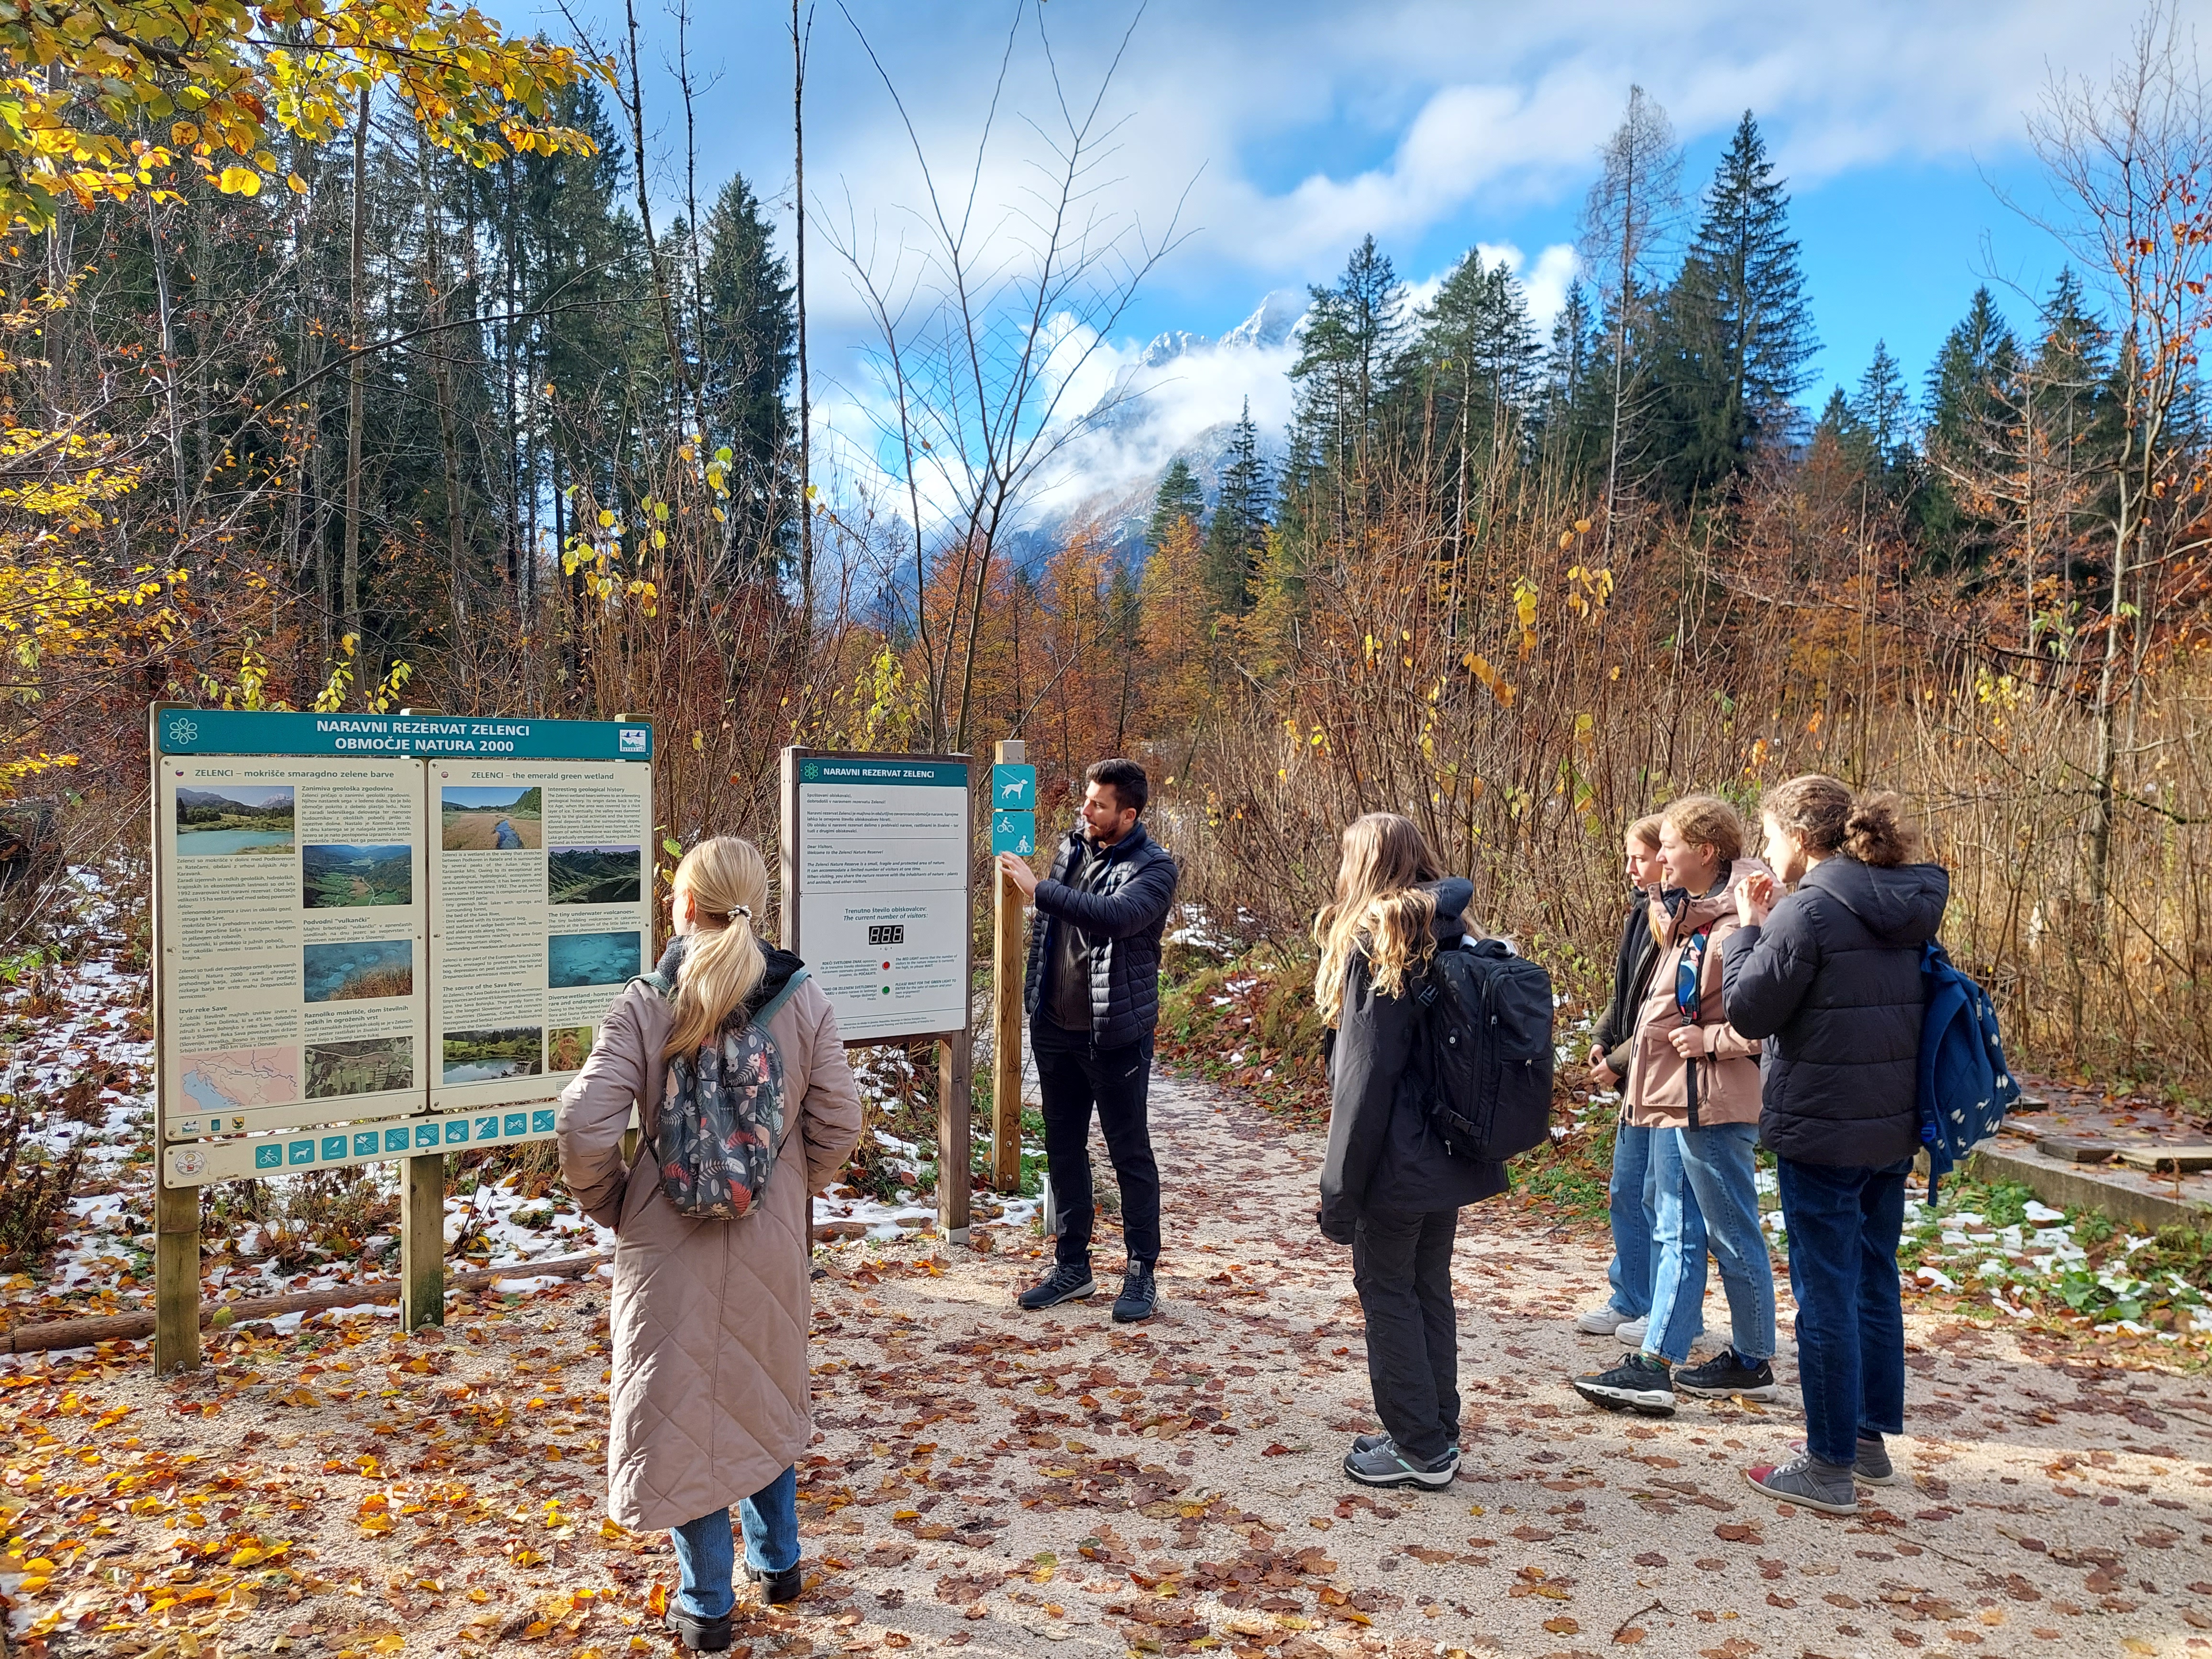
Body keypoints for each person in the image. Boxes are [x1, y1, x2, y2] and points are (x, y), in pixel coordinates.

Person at [557, 837, 862, 1652]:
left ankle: (706, 1605)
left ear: (684, 906)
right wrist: (792, 1183)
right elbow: (838, 1121)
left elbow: (583, 1123)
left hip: (665, 1244)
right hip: (768, 1237)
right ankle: (781, 1563)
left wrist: (617, 1201)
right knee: (761, 1388)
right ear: (753, 904)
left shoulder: (646, 1000)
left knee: (683, 1408)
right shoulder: (802, 997)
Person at [1723, 777, 1947, 1516]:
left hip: (1823, 1124)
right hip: (1890, 1123)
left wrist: (1747, 931)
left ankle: (1826, 1466)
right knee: (1872, 1277)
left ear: (1798, 836)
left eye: (1770, 833)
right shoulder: (1903, 901)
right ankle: (1867, 1440)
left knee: (1825, 1290)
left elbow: (1751, 1012)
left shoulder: (1812, 909)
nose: (1768, 850)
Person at [1314, 813, 1504, 1490]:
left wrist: (1339, 1191)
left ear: (1365, 866)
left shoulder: (1380, 944)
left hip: (1396, 1159)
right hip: (1447, 1151)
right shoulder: (1452, 932)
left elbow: (1364, 1082)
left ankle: (1419, 1447)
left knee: (1387, 1287)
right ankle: (1435, 1428)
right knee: (1427, 1286)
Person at [1574, 795, 1777, 1418]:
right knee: (1680, 1230)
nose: (1658, 857)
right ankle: (1672, 1363)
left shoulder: (1743, 918)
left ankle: (1733, 1358)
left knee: (1729, 1231)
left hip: (1712, 1101)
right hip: (1672, 1100)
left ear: (1706, 852)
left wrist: (1711, 1042)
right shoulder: (1688, 918)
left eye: (1669, 845)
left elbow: (1767, 1020)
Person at [996, 757, 1179, 1322]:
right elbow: (1054, 934)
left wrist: (1040, 889)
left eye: (1097, 805)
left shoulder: (1155, 868)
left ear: (1127, 814)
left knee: (1129, 1153)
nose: (1085, 810)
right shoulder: (1070, 846)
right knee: (1063, 1148)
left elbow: (1116, 918)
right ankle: (1073, 1268)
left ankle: (1141, 1272)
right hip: (1055, 1031)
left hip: (1114, 1037)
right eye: (1086, 800)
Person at [1572, 814, 1694, 1348]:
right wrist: (1603, 1037)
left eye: (1640, 857)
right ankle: (1630, 1296)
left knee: (1659, 1199)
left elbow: (1665, 1012)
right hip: (1634, 1078)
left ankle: (1667, 1307)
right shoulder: (1640, 915)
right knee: (1626, 1190)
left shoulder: (1688, 921)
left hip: (1663, 1077)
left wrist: (1617, 1061)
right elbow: (1624, 996)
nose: (1632, 868)